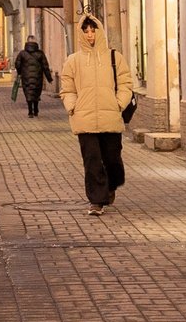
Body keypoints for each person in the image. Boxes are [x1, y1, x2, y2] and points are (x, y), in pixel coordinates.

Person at [55, 15, 132, 211]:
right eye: (86, 31)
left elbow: (125, 83)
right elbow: (67, 88)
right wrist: (73, 107)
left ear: (99, 31)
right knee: (91, 160)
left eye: (93, 30)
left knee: (112, 159)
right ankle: (97, 201)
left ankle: (112, 184)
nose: (90, 35)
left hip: (110, 116)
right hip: (85, 118)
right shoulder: (73, 61)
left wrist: (118, 104)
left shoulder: (115, 57)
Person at [14, 37, 50, 117]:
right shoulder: (40, 53)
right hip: (38, 76)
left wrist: (20, 72)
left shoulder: (22, 53)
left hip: (26, 76)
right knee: (36, 92)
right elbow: (45, 66)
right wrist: (49, 78)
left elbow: (17, 64)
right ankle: (36, 109)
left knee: (28, 92)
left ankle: (30, 111)